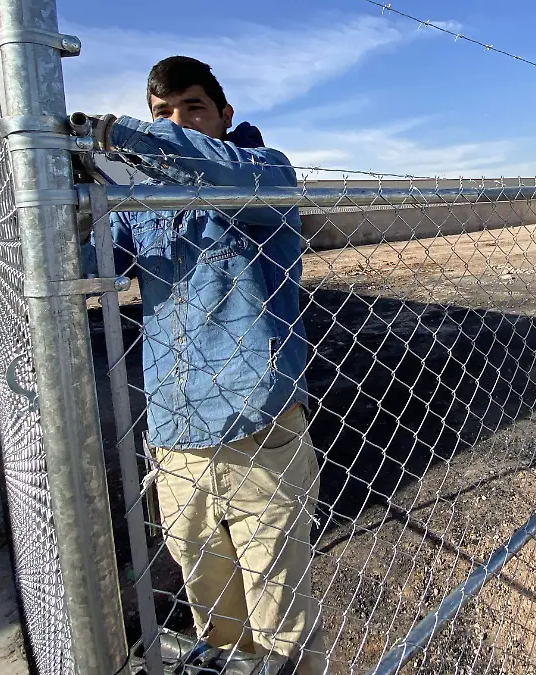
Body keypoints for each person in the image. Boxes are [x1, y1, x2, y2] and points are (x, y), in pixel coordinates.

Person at [83, 56, 326, 673]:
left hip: (258, 437)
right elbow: (92, 268)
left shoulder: (262, 172)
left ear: (224, 115)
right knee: (215, 630)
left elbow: (222, 170)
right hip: (176, 442)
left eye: (192, 107)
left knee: (282, 633)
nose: (177, 122)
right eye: (162, 113)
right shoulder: (143, 201)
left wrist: (126, 137)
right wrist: (77, 191)